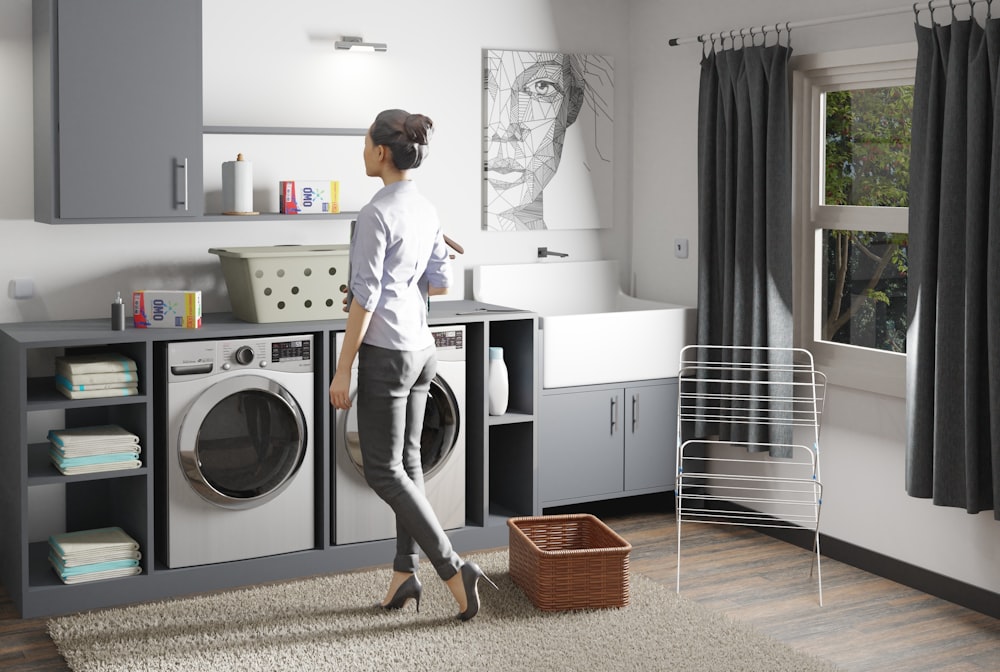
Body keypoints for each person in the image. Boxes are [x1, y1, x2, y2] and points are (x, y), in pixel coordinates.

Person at [329, 109, 495, 621]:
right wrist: (431, 248)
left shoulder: (376, 213)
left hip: (388, 354)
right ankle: (405, 572)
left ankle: (452, 568)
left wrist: (342, 369)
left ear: (381, 152)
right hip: (424, 351)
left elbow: (365, 296)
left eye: (364, 146)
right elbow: (438, 284)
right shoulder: (425, 208)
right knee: (409, 462)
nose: (362, 153)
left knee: (382, 470)